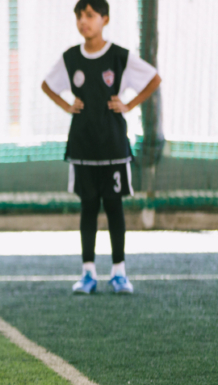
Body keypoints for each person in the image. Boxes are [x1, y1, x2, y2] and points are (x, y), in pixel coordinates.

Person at [41, 0, 161, 295]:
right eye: (79, 16)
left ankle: (119, 272)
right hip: (82, 146)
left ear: (104, 19)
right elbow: (47, 85)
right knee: (88, 207)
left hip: (113, 147)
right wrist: (66, 105)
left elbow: (154, 78)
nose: (83, 21)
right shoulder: (71, 58)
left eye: (90, 15)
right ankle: (88, 273)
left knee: (114, 206)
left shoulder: (119, 56)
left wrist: (129, 104)